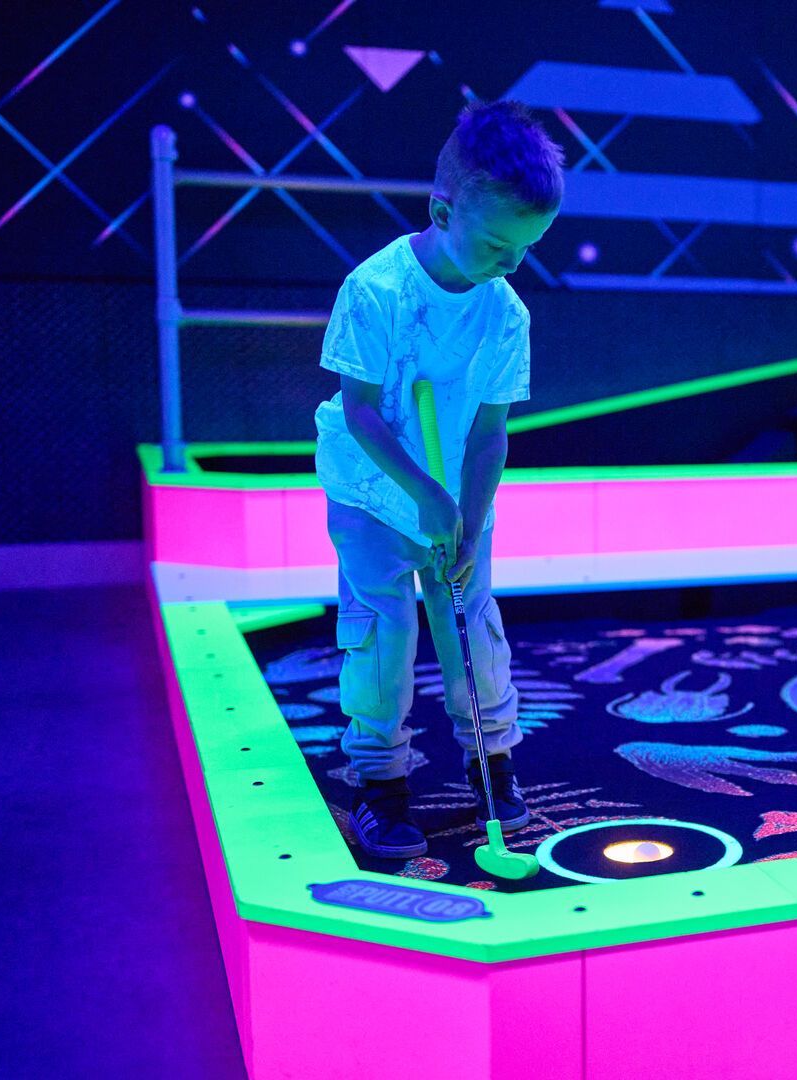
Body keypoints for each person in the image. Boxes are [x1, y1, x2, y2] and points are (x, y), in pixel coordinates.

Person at [313, 100, 562, 857]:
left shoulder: (505, 311)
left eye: (524, 249)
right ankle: (379, 785)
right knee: (382, 634)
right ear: (441, 210)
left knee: (472, 629)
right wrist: (425, 494)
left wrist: (470, 519)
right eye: (495, 246)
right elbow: (360, 413)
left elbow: (490, 431)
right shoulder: (376, 291)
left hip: (454, 499)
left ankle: (493, 764)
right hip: (372, 493)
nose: (509, 265)